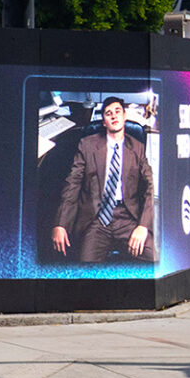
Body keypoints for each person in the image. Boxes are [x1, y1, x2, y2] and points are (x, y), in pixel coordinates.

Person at [51, 94, 156, 267]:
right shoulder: (87, 145)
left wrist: (143, 226)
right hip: (96, 219)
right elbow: (72, 185)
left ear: (124, 116)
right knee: (86, 268)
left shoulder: (137, 147)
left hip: (126, 216)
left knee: (154, 256)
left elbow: (149, 188)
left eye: (117, 111)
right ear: (104, 122)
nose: (114, 115)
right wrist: (60, 224)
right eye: (108, 113)